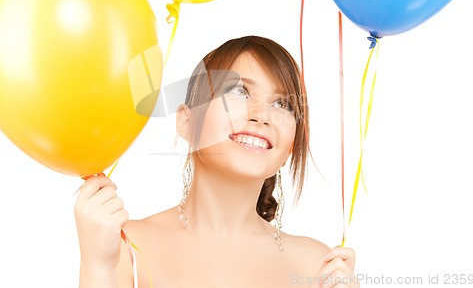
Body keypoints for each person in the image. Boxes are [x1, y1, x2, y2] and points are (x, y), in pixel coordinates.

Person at [75, 35, 360, 288]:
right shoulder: (124, 247)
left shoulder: (315, 267)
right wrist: (97, 267)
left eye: (282, 104)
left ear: (290, 147)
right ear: (186, 121)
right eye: (238, 91)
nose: (261, 115)